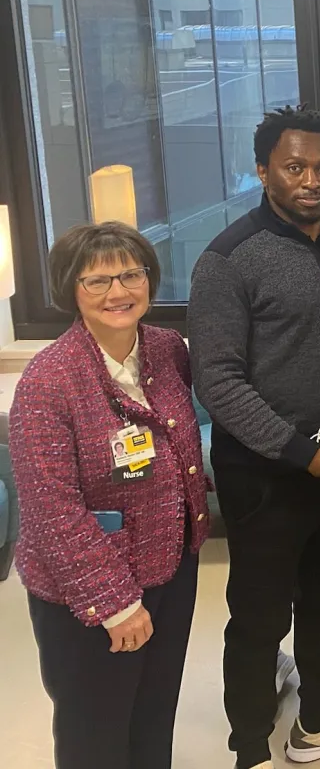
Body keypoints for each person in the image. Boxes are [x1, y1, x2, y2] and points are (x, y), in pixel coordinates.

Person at [189, 105, 320, 768]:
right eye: (294, 166)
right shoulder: (229, 259)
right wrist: (306, 454)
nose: (312, 180)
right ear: (262, 171)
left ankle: (317, 722)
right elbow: (217, 382)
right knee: (259, 616)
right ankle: (251, 748)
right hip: (267, 474)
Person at [11, 223, 209, 769]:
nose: (118, 292)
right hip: (89, 594)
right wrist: (114, 604)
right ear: (70, 290)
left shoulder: (167, 350)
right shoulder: (49, 380)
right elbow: (51, 512)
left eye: (130, 275)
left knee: (153, 714)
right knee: (95, 733)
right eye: (97, 281)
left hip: (171, 565)